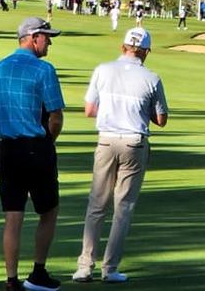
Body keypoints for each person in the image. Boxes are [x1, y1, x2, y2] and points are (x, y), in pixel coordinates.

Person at [72, 27, 168, 284]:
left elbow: (89, 110)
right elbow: (161, 119)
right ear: (146, 52)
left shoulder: (102, 70)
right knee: (123, 208)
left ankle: (84, 266)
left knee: (96, 205)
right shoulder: (152, 77)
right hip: (134, 143)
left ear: (122, 46)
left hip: (106, 140)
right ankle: (109, 269)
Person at [0, 17, 64, 291]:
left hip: (8, 150)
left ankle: (11, 280)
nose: (49, 41)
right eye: (46, 37)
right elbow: (55, 118)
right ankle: (38, 272)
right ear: (32, 37)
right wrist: (46, 143)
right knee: (48, 211)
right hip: (36, 147)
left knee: (13, 216)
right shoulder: (44, 70)